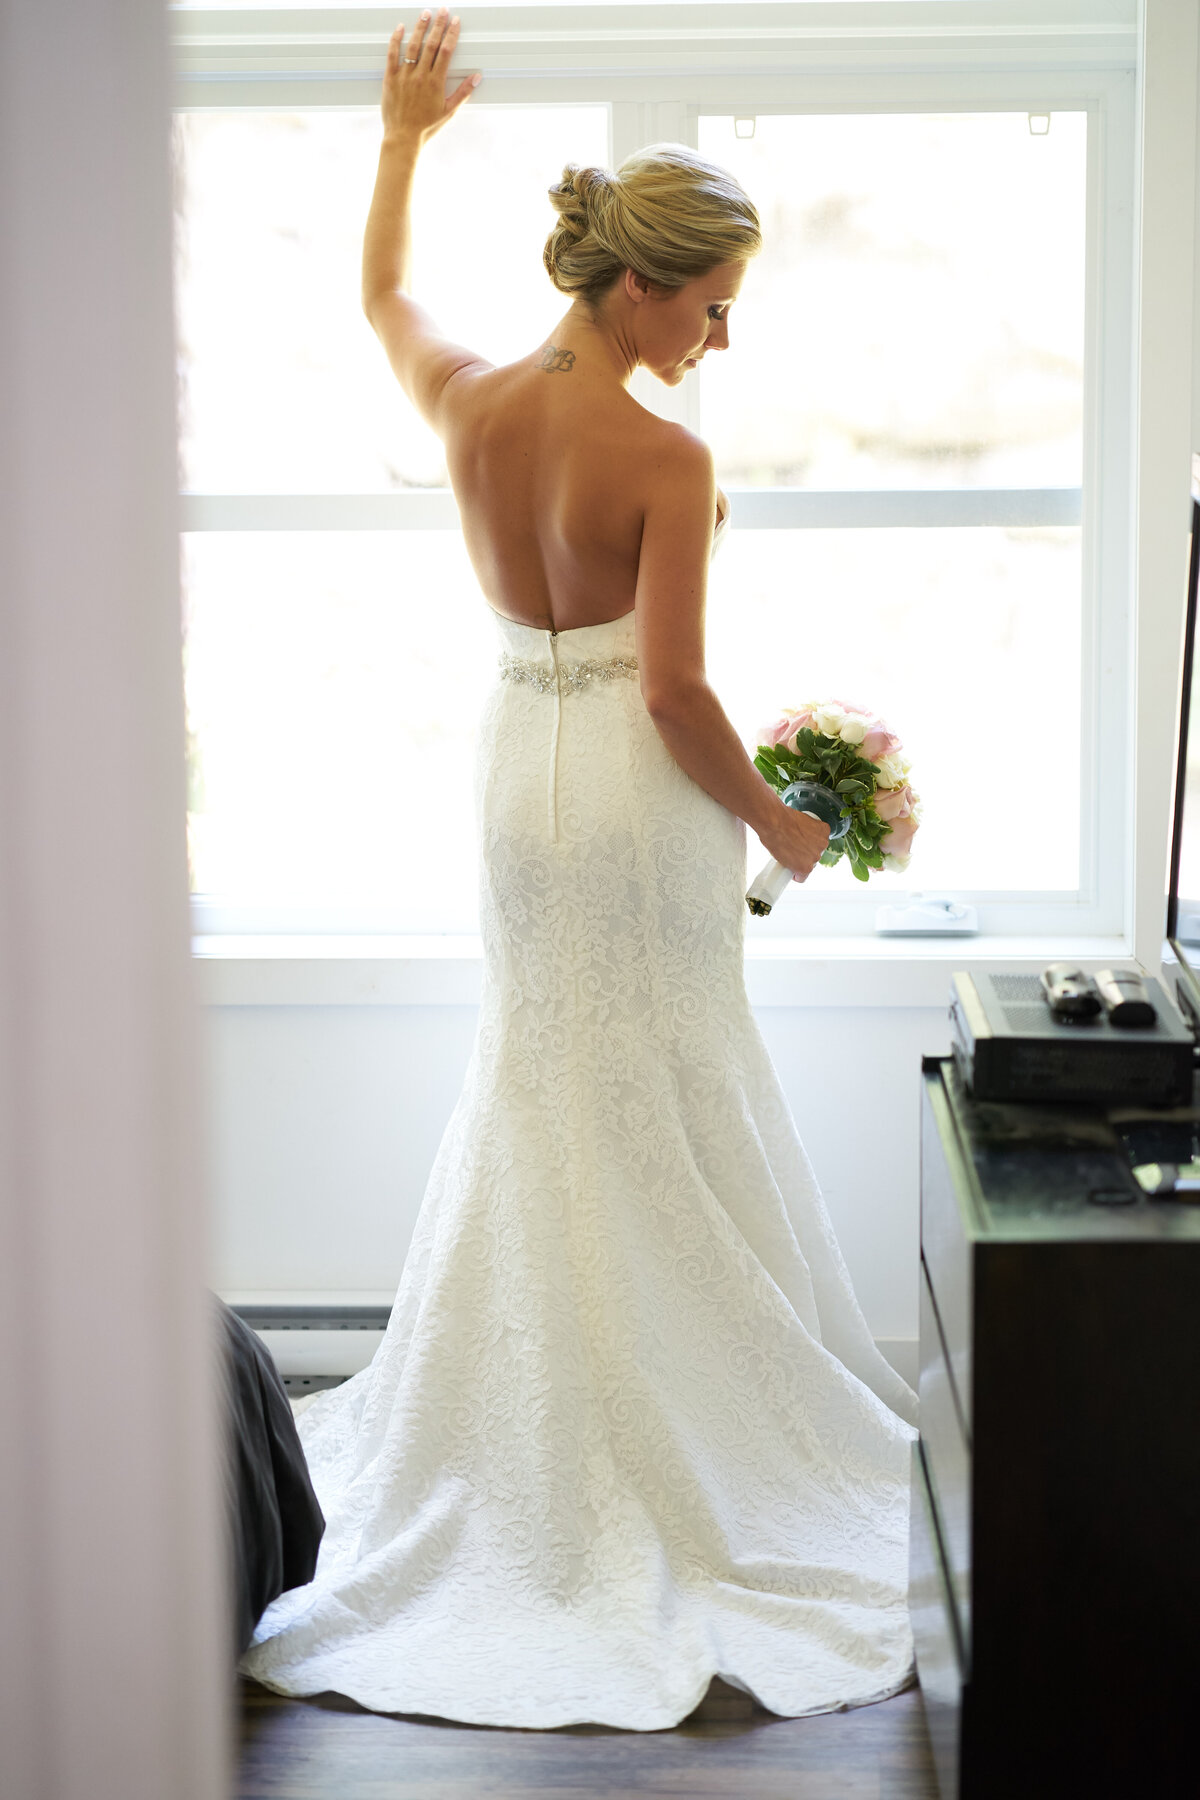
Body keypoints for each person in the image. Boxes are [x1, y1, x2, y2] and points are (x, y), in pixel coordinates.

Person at [241, 8, 918, 1730]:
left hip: (513, 786)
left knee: (546, 1070)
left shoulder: (468, 401)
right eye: (709, 305)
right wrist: (782, 823)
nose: (718, 336)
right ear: (636, 289)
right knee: (664, 1074)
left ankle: (525, 1417)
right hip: (630, 790)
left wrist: (398, 143)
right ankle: (670, 1441)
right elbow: (681, 693)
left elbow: (381, 300)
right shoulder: (666, 459)